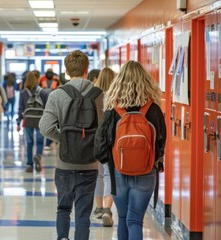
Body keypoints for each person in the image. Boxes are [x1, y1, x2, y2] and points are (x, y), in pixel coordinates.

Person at [94, 60, 166, 240]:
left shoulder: (112, 109)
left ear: (119, 82)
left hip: (118, 172)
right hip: (146, 172)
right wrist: (154, 161)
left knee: (124, 218)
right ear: (145, 81)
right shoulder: (154, 109)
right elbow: (161, 141)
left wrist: (110, 160)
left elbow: (100, 144)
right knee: (135, 221)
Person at [39, 50, 103, 240]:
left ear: (66, 71)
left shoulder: (58, 95)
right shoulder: (100, 95)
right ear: (87, 70)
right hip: (90, 164)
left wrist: (64, 139)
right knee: (83, 215)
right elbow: (104, 129)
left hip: (65, 164)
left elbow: (45, 127)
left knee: (63, 208)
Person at [92, 67, 116, 227]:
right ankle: (108, 208)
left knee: (98, 174)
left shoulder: (94, 95)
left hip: (96, 138)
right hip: (113, 140)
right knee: (109, 174)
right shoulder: (117, 95)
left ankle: (99, 208)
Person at [17, 71, 49, 172]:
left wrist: (18, 122)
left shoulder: (23, 93)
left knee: (29, 142)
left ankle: (29, 165)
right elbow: (48, 107)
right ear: (37, 79)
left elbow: (20, 109)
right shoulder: (43, 92)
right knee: (40, 141)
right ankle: (38, 156)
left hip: (28, 120)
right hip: (40, 119)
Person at [39, 68, 59, 151]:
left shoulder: (42, 81)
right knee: (54, 124)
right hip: (54, 105)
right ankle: (51, 142)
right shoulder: (56, 82)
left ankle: (47, 143)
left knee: (46, 124)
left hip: (44, 106)